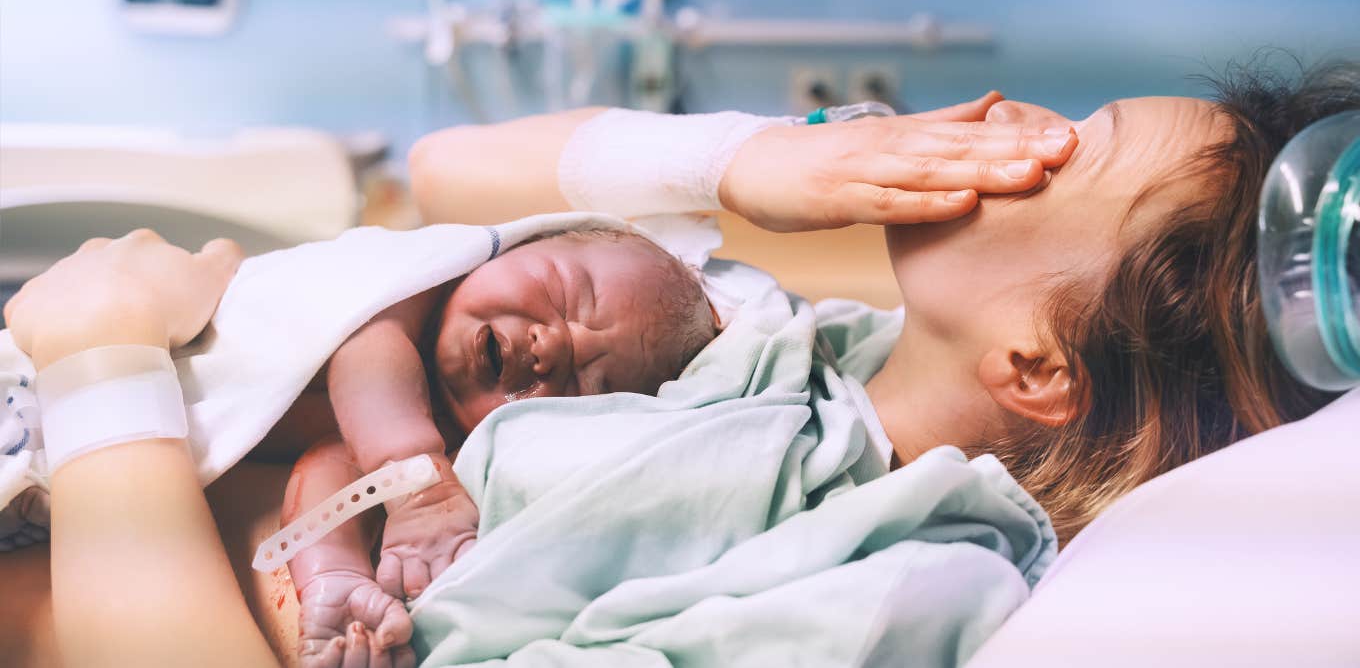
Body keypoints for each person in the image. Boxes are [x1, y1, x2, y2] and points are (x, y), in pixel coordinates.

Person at [410, 60, 1360, 542]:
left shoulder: (834, 543)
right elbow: (441, 175)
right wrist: (746, 157)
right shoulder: (815, 347)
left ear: (1036, 363)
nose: (1008, 114)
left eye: (1067, 145)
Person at [284, 228, 714, 667]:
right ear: (522, 243)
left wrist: (334, 572)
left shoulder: (464, 437)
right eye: (566, 293)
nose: (554, 347)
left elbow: (330, 466)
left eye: (586, 384)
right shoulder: (417, 294)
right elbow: (366, 360)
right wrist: (420, 492)